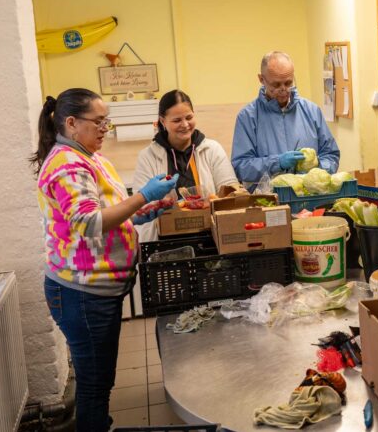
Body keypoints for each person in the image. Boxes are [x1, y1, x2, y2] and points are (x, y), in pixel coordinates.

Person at [31, 88, 177, 431]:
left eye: (106, 122)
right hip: (81, 294)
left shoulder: (91, 157)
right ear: (71, 123)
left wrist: (144, 210)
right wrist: (143, 194)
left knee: (99, 380)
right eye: (98, 122)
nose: (104, 129)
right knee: (95, 386)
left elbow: (107, 214)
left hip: (97, 291)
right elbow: (88, 223)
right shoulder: (67, 164)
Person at [133, 90, 240, 241]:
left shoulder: (212, 149)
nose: (185, 125)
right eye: (177, 120)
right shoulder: (148, 157)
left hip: (211, 238)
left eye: (189, 117)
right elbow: (141, 208)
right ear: (163, 121)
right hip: (166, 241)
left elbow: (230, 192)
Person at [231, 51, 340, 188]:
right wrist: (277, 163)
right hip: (269, 202)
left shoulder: (312, 111)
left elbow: (331, 155)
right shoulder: (247, 117)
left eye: (288, 83)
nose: (283, 90)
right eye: (276, 85)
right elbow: (241, 167)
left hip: (309, 199)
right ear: (261, 79)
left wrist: (317, 166)